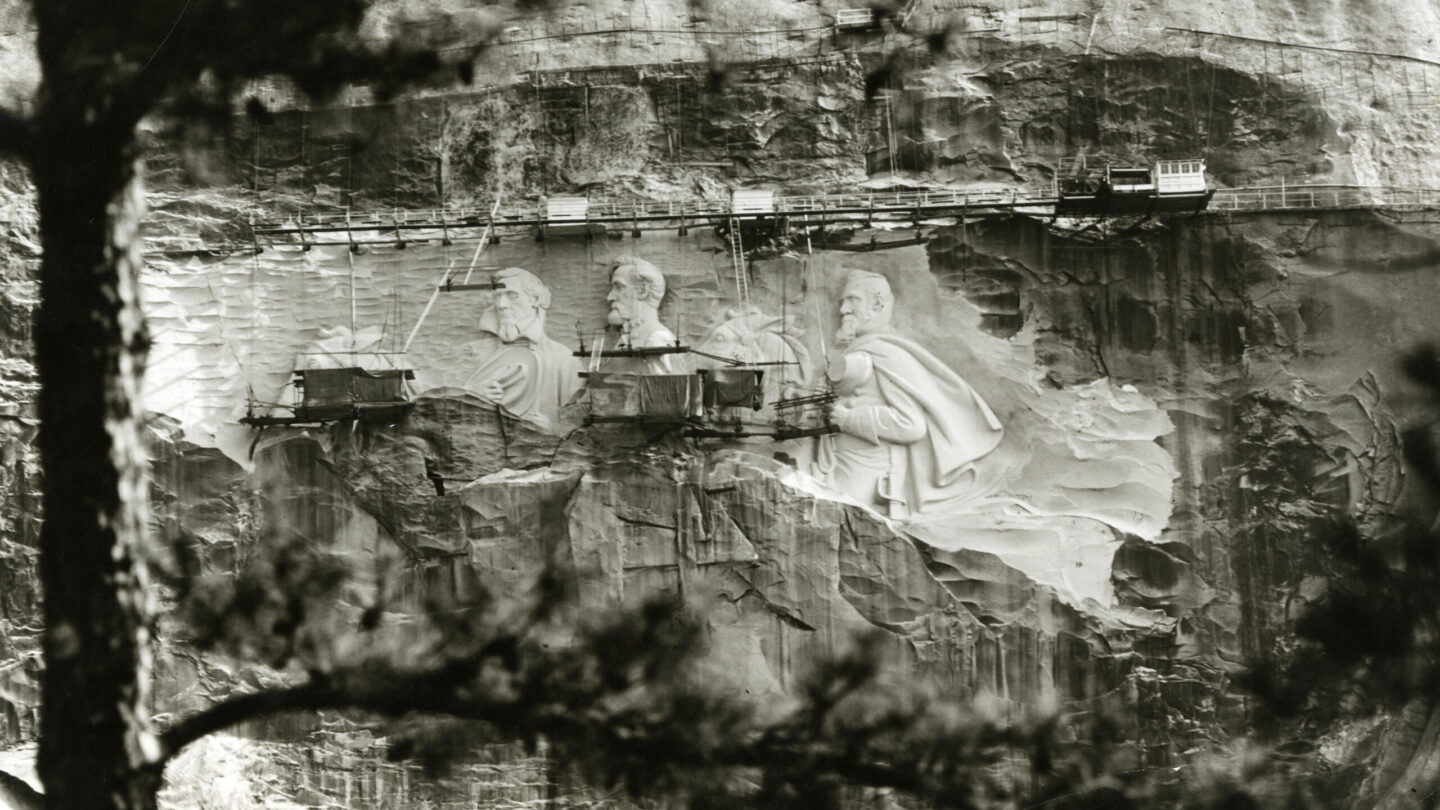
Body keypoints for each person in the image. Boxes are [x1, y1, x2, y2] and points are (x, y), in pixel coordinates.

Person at [813, 271, 1004, 519]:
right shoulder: (861, 349)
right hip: (835, 463)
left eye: (852, 300)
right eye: (841, 302)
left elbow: (911, 425)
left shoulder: (889, 354)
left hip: (865, 473)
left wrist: (849, 419)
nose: (843, 309)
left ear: (877, 305)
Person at [463, 267, 582, 429]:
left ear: (535, 299)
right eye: (498, 296)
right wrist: (475, 399)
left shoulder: (565, 360)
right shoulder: (473, 353)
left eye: (512, 296)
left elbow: (580, 420)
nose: (501, 305)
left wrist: (553, 428)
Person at [604, 258, 678, 374]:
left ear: (643, 290)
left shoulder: (658, 340)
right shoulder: (627, 338)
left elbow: (664, 387)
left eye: (619, 287)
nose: (610, 297)